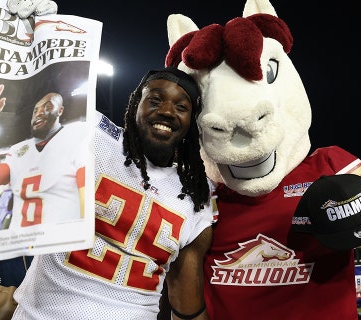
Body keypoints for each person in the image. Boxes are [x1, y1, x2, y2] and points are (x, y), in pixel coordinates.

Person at [11, 66, 215, 319]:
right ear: (136, 102)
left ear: (191, 124)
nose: (166, 111)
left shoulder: (195, 195)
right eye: (155, 99)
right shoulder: (91, 137)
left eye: (181, 107)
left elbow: (186, 305)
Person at [0, 87, 86, 227]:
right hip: (22, 245)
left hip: (62, 245)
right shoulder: (19, 150)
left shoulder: (77, 135)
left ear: (60, 110)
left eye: (47, 107)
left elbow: (90, 203)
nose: (39, 113)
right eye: (35, 111)